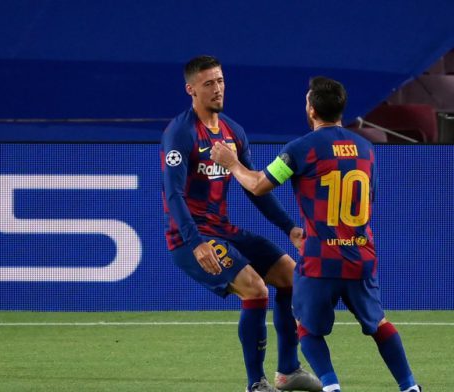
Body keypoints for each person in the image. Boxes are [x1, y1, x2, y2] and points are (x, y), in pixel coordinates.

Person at [210, 76, 421, 392]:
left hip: (321, 258)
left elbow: (258, 185)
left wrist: (232, 163)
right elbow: (370, 197)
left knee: (306, 329)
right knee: (379, 324)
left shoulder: (300, 150)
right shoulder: (366, 149)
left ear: (310, 109)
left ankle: (332, 386)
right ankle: (410, 386)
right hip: (360, 254)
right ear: (341, 109)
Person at [161, 55, 322, 392]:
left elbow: (255, 189)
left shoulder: (234, 131)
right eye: (208, 83)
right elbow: (173, 194)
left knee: (291, 276)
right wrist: (195, 242)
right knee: (255, 289)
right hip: (190, 238)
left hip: (223, 229)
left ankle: (288, 372)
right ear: (191, 89)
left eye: (220, 80)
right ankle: (255, 383)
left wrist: (289, 227)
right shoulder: (181, 133)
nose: (217, 88)